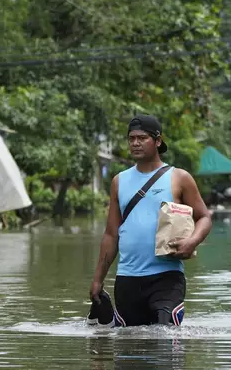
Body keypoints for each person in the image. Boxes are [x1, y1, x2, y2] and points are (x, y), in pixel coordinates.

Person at [89, 114, 212, 327]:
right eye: (131, 138)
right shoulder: (119, 181)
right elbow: (111, 234)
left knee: (165, 338)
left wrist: (192, 241)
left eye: (142, 138)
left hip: (166, 277)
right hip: (127, 278)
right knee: (129, 350)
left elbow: (204, 217)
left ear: (157, 141)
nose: (135, 143)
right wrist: (98, 279)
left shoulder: (179, 178)